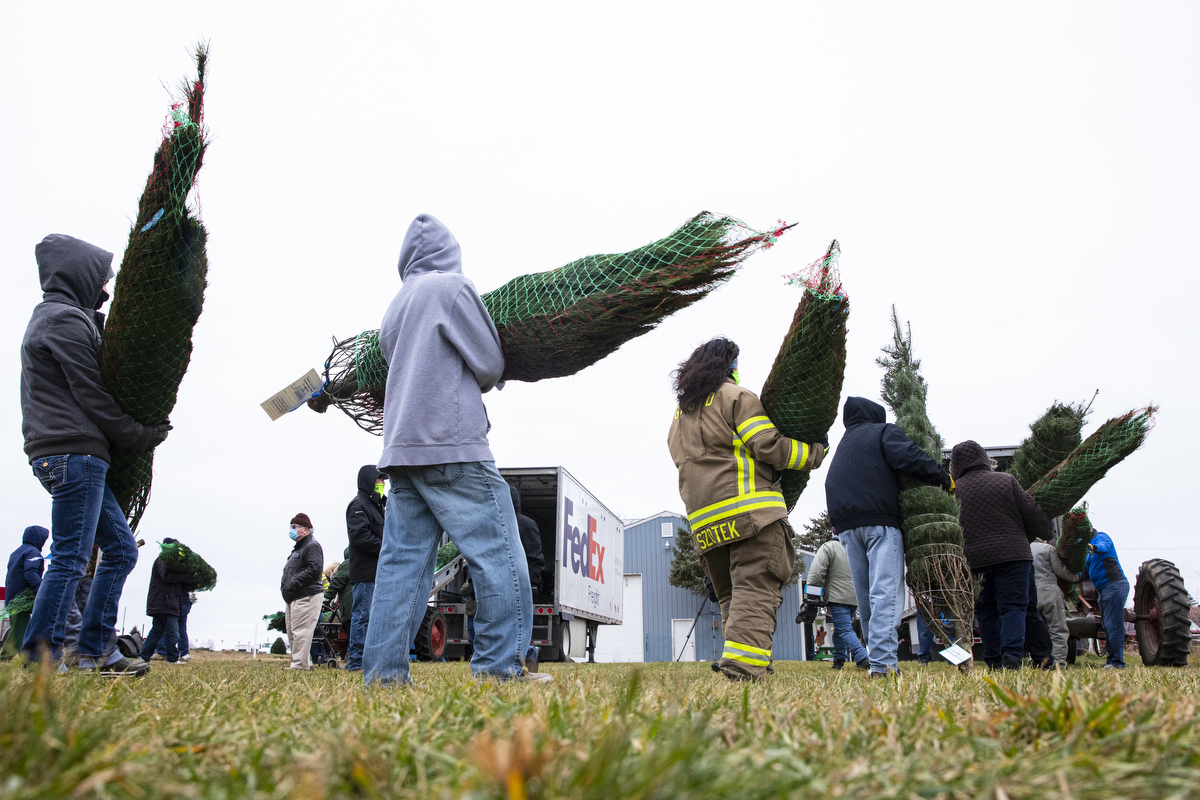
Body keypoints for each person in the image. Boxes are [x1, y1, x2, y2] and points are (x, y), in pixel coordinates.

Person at [363, 215, 547, 686]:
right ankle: (499, 670)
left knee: (402, 568)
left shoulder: (394, 307)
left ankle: (382, 678)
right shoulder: (453, 288)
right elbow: (488, 363)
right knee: (500, 555)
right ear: (450, 252)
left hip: (401, 453)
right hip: (453, 444)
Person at [20, 234, 169, 674]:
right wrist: (137, 434)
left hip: (71, 453)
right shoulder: (62, 321)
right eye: (102, 279)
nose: (106, 287)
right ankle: (41, 655)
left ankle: (96, 651)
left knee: (121, 551)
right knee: (69, 557)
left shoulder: (63, 318)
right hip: (73, 453)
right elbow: (91, 391)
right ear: (79, 276)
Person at [667, 337, 825, 681]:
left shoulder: (678, 419)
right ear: (728, 366)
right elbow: (769, 446)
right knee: (755, 591)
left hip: (707, 529)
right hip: (751, 517)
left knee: (732, 599)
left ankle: (751, 664)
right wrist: (814, 454)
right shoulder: (736, 397)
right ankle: (743, 671)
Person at [824, 397, 950, 678]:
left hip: (846, 528)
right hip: (880, 522)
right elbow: (909, 457)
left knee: (867, 599)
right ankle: (882, 667)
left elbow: (830, 482)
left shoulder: (844, 444)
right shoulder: (882, 432)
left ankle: (878, 659)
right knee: (886, 593)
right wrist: (943, 477)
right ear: (875, 415)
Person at [949, 440, 1051, 670]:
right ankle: (1012, 657)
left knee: (987, 612)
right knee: (1014, 607)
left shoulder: (953, 492)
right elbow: (1031, 511)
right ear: (983, 458)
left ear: (955, 465)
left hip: (974, 561)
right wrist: (1046, 532)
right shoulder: (1006, 481)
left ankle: (994, 660)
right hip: (1013, 556)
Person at [802, 537, 868, 670]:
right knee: (839, 629)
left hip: (837, 596)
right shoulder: (854, 546)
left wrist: (811, 596)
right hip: (855, 596)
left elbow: (816, 572)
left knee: (844, 629)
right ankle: (838, 660)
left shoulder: (828, 547)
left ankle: (862, 658)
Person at [346, 465, 386, 672]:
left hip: (377, 573)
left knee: (371, 619)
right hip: (365, 573)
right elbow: (360, 537)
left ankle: (368, 661)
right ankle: (356, 662)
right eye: (380, 480)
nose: (383, 484)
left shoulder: (376, 506)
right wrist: (387, 549)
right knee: (362, 617)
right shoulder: (358, 505)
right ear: (369, 481)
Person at [138, 538, 194, 665]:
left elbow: (178, 586)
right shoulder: (163, 560)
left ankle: (144, 656)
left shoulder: (169, 563)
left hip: (165, 602)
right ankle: (172, 658)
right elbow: (167, 577)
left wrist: (193, 583)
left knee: (157, 631)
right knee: (173, 632)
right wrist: (186, 576)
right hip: (164, 603)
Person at [281, 513, 324, 670]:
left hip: (306, 595)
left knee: (301, 632)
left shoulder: (311, 546)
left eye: (294, 527)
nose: (291, 530)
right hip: (294, 596)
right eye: (290, 527)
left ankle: (299, 666)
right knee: (294, 633)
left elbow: (315, 568)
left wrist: (295, 581)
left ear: (305, 529)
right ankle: (304, 664)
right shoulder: (299, 548)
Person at [510, 484, 545, 671]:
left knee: (515, 628)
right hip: (499, 583)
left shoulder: (526, 525)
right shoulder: (493, 523)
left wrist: (530, 585)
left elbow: (534, 559)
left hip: (519, 584)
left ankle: (529, 654)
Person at [1031, 536, 1081, 666]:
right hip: (1049, 592)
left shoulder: (1023, 548)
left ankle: (1037, 660)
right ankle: (1058, 662)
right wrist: (1075, 577)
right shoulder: (1048, 549)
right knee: (1057, 629)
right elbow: (1060, 570)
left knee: (1035, 630)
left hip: (1030, 593)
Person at [2, 526, 48, 660]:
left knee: (22, 628)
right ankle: (5, 657)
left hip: (12, 597)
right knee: (19, 629)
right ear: (39, 539)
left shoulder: (17, 552)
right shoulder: (33, 553)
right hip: (22, 598)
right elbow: (30, 573)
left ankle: (26, 658)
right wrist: (40, 590)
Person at [1086, 528, 1130, 669]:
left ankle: (1117, 663)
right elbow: (1084, 572)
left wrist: (1093, 547)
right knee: (1107, 625)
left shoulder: (1101, 537)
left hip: (1115, 585)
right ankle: (1112, 660)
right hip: (1103, 590)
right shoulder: (1088, 550)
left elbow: (1103, 547)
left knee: (1113, 625)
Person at [324, 547, 353, 638]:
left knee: (353, 638)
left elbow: (337, 582)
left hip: (349, 609)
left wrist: (326, 598)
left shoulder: (347, 564)